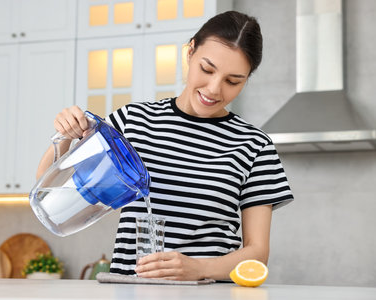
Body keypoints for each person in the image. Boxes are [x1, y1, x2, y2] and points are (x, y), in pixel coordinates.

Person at [36, 11, 294, 281]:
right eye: (207, 69)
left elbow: (257, 252)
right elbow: (51, 191)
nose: (215, 89)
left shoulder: (254, 145)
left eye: (233, 81)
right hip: (129, 290)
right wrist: (65, 135)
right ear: (190, 51)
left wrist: (197, 269)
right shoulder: (133, 122)